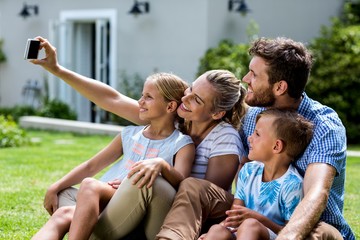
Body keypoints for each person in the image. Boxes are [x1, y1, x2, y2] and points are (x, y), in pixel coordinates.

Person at [30, 36, 248, 239]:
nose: (185, 98)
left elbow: (200, 200)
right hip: (123, 202)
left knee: (140, 179)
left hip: (167, 215)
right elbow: (111, 99)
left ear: (217, 113)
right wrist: (56, 69)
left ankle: (87, 221)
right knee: (66, 196)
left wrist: (156, 169)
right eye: (190, 89)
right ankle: (83, 220)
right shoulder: (171, 118)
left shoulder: (222, 139)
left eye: (196, 99)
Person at [156, 37, 355, 240]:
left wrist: (286, 236)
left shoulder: (324, 126)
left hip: (307, 224)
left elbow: (316, 193)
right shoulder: (253, 117)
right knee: (194, 187)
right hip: (252, 219)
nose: (245, 79)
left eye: (254, 75)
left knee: (316, 233)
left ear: (279, 87)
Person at [31, 72, 195, 240]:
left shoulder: (181, 144)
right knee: (63, 198)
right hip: (105, 200)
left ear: (170, 107)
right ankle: (86, 220)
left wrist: (162, 165)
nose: (140, 101)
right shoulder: (130, 134)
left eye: (148, 97)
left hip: (132, 208)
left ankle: (84, 222)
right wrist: (55, 187)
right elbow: (91, 166)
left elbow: (182, 184)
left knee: (88, 187)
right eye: (141, 95)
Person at [198, 108, 314, 240]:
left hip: (273, 235)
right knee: (217, 229)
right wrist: (212, 233)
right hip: (241, 232)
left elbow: (291, 232)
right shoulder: (248, 170)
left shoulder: (293, 185)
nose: (250, 138)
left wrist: (257, 218)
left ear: (276, 146)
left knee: (250, 225)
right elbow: (233, 217)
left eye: (257, 134)